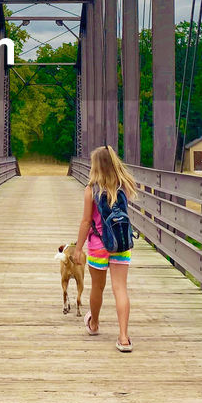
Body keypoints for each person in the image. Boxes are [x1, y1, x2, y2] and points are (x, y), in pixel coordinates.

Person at [71, 144, 136, 352]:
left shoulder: (91, 190)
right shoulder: (124, 186)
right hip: (121, 245)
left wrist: (78, 248)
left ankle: (94, 324)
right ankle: (124, 338)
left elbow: (85, 222)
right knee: (120, 289)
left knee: (97, 287)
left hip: (98, 246)